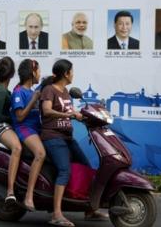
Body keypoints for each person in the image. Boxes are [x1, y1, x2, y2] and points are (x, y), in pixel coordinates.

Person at [40, 59, 108, 227]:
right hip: (53, 137)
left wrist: (86, 115)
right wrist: (68, 116)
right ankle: (56, 214)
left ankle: (89, 210)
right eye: (72, 71)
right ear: (66, 73)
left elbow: (69, 112)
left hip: (67, 138)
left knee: (86, 166)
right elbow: (46, 111)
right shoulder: (49, 90)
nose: (73, 74)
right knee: (64, 170)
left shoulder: (66, 92)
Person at [10, 59, 46, 212]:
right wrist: (34, 100)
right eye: (38, 71)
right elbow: (19, 117)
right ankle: (29, 196)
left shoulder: (33, 92)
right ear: (32, 72)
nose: (39, 74)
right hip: (24, 128)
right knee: (40, 153)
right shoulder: (19, 91)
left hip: (36, 129)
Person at [0, 57, 20, 203]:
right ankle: (10, 191)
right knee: (17, 148)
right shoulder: (1, 92)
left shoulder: (2, 89)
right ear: (12, 73)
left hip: (5, 125)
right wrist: (13, 119)